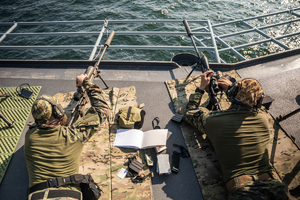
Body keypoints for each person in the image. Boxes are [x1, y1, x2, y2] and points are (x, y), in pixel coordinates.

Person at [184, 70, 294, 200]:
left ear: (233, 94)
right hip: (276, 186)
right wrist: (232, 90)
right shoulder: (264, 118)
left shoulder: (214, 121)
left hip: (244, 191)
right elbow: (254, 105)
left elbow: (191, 111)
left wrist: (201, 88)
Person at [24, 74, 110, 200]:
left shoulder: (29, 136)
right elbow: (102, 109)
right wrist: (86, 82)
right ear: (58, 113)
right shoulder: (73, 136)